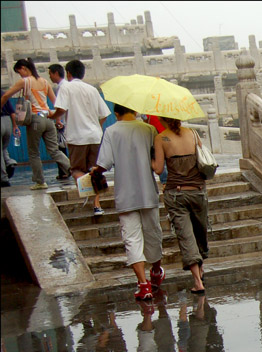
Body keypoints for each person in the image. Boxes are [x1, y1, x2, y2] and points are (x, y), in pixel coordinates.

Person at [91, 103, 165, 300]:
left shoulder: (111, 132)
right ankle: (156, 271)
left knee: (131, 239)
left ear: (117, 114)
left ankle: (143, 285)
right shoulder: (148, 129)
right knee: (153, 233)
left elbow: (103, 163)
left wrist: (94, 173)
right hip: (148, 191)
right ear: (135, 110)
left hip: (125, 194)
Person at [152, 116, 208, 294]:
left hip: (176, 194)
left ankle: (197, 281)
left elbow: (159, 169)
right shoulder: (192, 133)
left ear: (162, 120)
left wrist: (151, 159)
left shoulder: (161, 138)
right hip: (198, 191)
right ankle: (201, 267)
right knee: (200, 231)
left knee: (185, 235)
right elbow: (203, 158)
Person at [0, 59, 71, 190]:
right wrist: (58, 120)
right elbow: (57, 103)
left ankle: (40, 181)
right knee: (54, 150)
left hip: (35, 121)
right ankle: (72, 168)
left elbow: (5, 96)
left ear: (23, 68)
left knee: (33, 153)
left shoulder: (25, 81)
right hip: (48, 120)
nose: (20, 75)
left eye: (19, 72)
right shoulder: (44, 82)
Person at [50, 59, 110, 215]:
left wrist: (52, 116)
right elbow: (104, 114)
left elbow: (61, 110)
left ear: (68, 73)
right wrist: (97, 127)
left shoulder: (67, 88)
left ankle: (87, 194)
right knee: (95, 171)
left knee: (76, 170)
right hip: (95, 136)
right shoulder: (92, 89)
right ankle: (97, 205)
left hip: (77, 137)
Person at [48, 63, 71, 182]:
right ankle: (64, 171)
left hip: (65, 121)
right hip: (67, 120)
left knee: (61, 148)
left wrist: (57, 119)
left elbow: (60, 107)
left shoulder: (62, 87)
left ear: (56, 73)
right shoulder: (67, 85)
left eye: (50, 74)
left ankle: (65, 171)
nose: (50, 77)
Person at [1, 90, 18, 187]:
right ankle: (9, 162)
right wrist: (15, 126)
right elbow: (12, 112)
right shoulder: (3, 93)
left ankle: (3, 179)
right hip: (8, 122)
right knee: (3, 148)